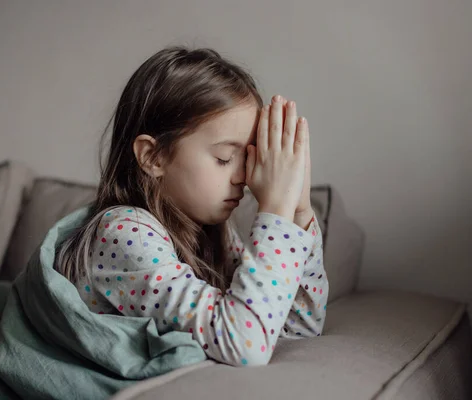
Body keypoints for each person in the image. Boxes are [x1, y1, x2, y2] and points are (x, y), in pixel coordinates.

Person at [55, 46, 329, 367]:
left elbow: (298, 329)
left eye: (247, 158)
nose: (242, 176)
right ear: (153, 156)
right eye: (224, 158)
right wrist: (275, 212)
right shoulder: (124, 233)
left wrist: (297, 210)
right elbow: (245, 346)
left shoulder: (211, 230)